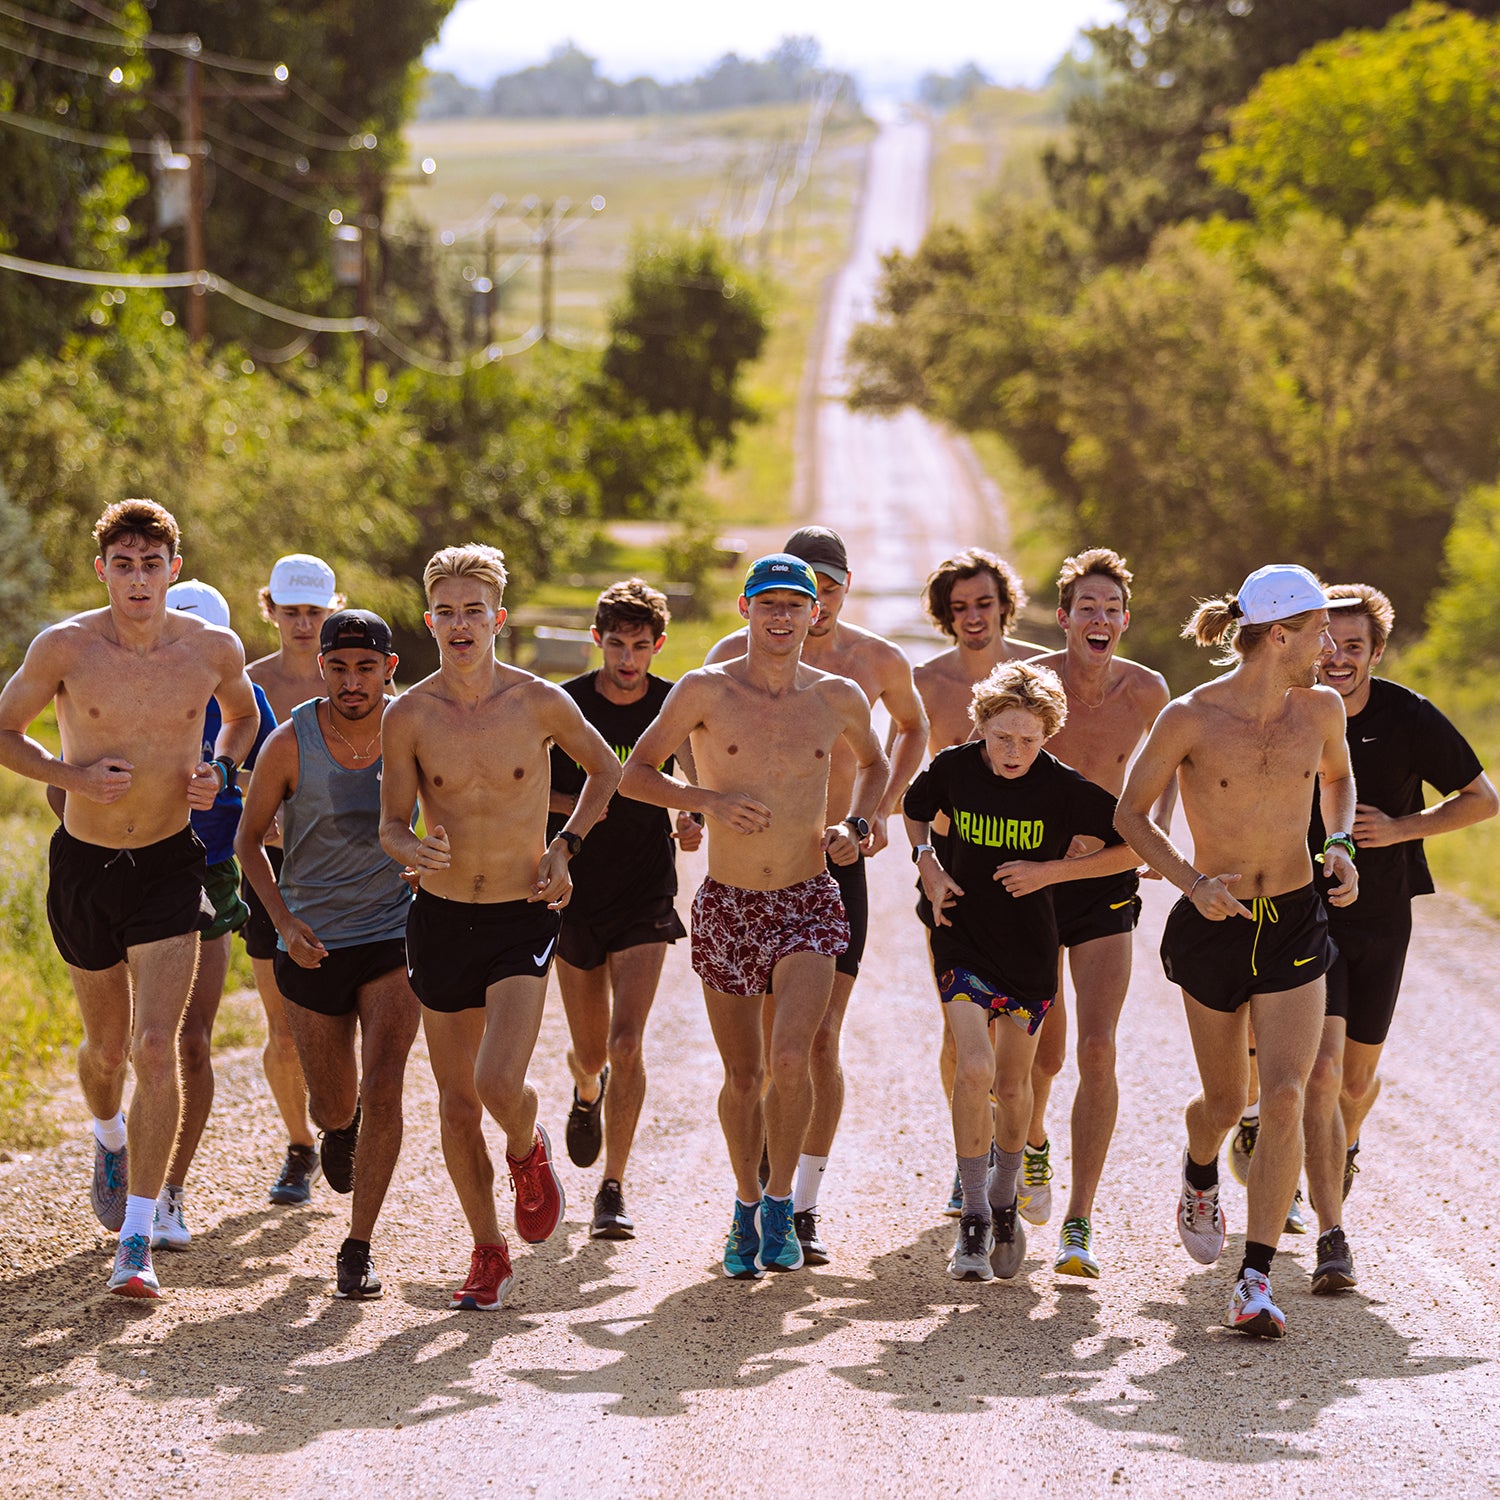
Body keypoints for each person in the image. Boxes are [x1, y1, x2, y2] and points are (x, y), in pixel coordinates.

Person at [0, 499, 259, 1298]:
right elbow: (4, 729)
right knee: (107, 1051)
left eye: (153, 564)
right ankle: (108, 1136)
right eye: (124, 564)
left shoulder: (211, 648)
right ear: (102, 570)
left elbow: (244, 717)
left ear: (174, 569)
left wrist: (220, 765)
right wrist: (72, 778)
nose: (138, 579)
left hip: (167, 865)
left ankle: (137, 1240)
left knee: (157, 1046)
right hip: (84, 864)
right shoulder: (66, 646)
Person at [619, 553, 887, 1279]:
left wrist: (858, 826)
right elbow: (636, 774)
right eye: (767, 604)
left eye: (794, 605)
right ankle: (742, 1206)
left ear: (815, 615)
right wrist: (705, 802)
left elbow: (876, 763)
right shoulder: (706, 689)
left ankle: (779, 1204)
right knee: (742, 1075)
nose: (781, 617)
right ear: (744, 610)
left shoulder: (836, 697)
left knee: (793, 1058)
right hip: (728, 904)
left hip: (807, 896)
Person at [1114, 564, 1360, 1339]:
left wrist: (1342, 842)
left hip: (1292, 917)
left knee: (1285, 1092)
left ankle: (1253, 1278)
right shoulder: (1191, 717)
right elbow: (1129, 815)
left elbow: (1339, 780)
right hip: (1213, 922)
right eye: (1320, 629)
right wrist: (1190, 884)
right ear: (1279, 634)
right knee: (1224, 1101)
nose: (1330, 645)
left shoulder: (1320, 709)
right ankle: (1198, 1171)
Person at [380, 545, 621, 1312]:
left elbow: (607, 771)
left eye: (472, 611)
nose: (459, 624)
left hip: (522, 913)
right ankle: (487, 1251)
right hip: (441, 915)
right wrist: (410, 846)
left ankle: (527, 1146)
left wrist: (565, 845)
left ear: (498, 619)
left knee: (495, 1083)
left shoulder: (539, 702)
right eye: (445, 611)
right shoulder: (408, 714)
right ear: (430, 620)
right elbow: (388, 824)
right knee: (455, 1104)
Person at [703, 526, 928, 1263]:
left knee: (812, 1043)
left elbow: (911, 729)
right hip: (744, 877)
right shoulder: (724, 664)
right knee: (756, 1060)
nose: (815, 604)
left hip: (832, 867)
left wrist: (871, 817)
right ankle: (755, 1195)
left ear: (842, 588)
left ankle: (799, 1205)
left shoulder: (869, 664)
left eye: (826, 590)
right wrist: (696, 801)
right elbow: (682, 736)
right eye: (801, 591)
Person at [903, 661, 1138, 1283]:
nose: (1015, 752)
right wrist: (928, 865)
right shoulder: (953, 768)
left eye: (1030, 740)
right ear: (980, 726)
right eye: (1003, 737)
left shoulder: (1062, 788)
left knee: (1014, 1087)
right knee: (973, 1064)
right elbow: (914, 808)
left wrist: (1050, 873)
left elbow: (1135, 843)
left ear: (1048, 736)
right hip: (963, 940)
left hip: (1030, 952)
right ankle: (974, 1216)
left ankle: (1006, 1199)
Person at [1294, 585, 1495, 1294]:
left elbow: (1483, 798)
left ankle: (1338, 1146)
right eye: (1327, 643)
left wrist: (1403, 829)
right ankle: (1330, 1234)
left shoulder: (1408, 715)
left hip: (1384, 916)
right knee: (1318, 1073)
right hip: (1306, 917)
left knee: (1352, 1081)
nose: (1337, 658)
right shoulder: (1290, 708)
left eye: (1354, 647)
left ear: (1376, 653)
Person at [237, 609, 421, 1299]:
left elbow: (457, 805)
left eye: (365, 667)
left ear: (388, 669)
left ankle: (358, 1245)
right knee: (335, 1104)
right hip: (312, 941)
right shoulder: (290, 743)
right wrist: (282, 921)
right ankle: (338, 1132)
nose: (352, 681)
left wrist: (437, 861)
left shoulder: (413, 729)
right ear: (322, 669)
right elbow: (248, 840)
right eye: (339, 667)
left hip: (393, 932)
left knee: (385, 1084)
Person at [1021, 549, 1172, 1279]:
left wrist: (1153, 839)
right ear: (1064, 616)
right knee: (1044, 1052)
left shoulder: (1148, 690)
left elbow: (1169, 767)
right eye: (1088, 607)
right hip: (1036, 879)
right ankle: (1033, 1139)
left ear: (1125, 620)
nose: (1100, 619)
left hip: (1107, 880)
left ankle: (1079, 1221)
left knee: (1099, 1047)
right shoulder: (1035, 682)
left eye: (1112, 609)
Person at [548, 579, 703, 1241]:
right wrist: (592, 805)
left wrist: (692, 814)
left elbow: (693, 781)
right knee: (589, 1051)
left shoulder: (672, 704)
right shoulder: (567, 705)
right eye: (617, 643)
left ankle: (613, 1186)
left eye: (641, 646)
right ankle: (587, 1092)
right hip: (577, 891)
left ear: (658, 645)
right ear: (598, 641)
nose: (629, 657)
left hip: (646, 890)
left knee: (626, 1042)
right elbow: (536, 794)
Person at [907, 548, 1044, 1216]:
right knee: (960, 1032)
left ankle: (1021, 1144)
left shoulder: (1038, 674)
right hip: (952, 877)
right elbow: (908, 782)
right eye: (959, 608)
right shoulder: (925, 681)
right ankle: (974, 1156)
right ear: (944, 616)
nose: (973, 618)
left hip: (1027, 874)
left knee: (1024, 1032)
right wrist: (927, 862)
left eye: (984, 603)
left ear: (1004, 605)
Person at [149, 580, 278, 1252]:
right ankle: (116, 1139)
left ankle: (169, 1194)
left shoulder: (245, 700)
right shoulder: (127, 680)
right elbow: (64, 785)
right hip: (129, 867)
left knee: (192, 1041)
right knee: (122, 1047)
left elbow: (276, 782)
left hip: (210, 871)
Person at [243, 553, 348, 1206]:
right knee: (281, 1025)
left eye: (314, 612)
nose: (303, 624)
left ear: (329, 612)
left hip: (346, 873)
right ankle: (299, 1147)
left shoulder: (355, 680)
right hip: (271, 872)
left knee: (343, 1020)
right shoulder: (243, 684)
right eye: (291, 612)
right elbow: (218, 773)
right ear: (271, 611)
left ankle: (343, 1123)